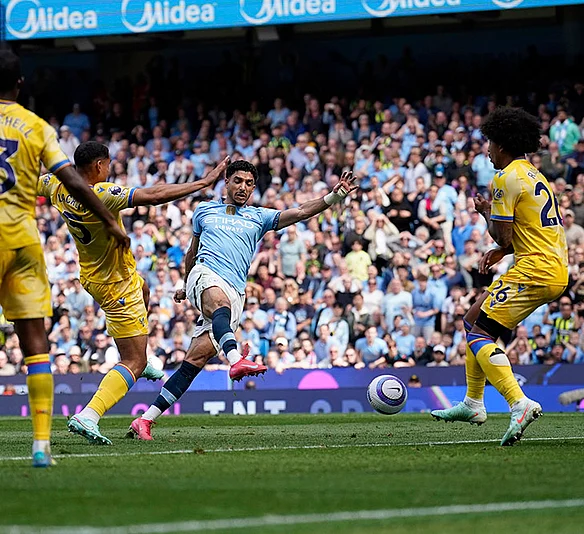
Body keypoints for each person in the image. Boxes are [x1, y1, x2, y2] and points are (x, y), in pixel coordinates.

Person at [127, 165, 358, 440]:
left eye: (249, 183)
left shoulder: (259, 217)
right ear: (226, 182)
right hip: (206, 274)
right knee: (219, 305)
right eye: (238, 181)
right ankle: (235, 359)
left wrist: (333, 197)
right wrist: (187, 285)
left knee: (194, 361)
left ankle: (144, 419)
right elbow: (192, 251)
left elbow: (301, 212)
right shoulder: (204, 210)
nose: (243, 187)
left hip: (236, 291)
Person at [40, 143, 228, 445]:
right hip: (115, 283)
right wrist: (204, 183)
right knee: (132, 361)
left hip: (95, 273)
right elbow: (153, 196)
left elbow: (32, 180)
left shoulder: (56, 184)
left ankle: (144, 358)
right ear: (99, 166)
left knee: (145, 287)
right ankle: (89, 414)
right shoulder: (100, 193)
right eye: (108, 164)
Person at [0, 51, 128, 467]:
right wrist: (108, 217)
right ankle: (40, 446)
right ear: (19, 83)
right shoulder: (36, 127)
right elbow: (68, 177)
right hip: (20, 240)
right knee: (35, 343)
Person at [431, 108, 568, 446]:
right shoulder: (534, 174)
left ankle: (518, 403)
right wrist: (504, 252)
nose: (487, 150)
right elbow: (529, 230)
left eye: (490, 143)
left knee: (480, 336)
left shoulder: (504, 178)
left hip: (534, 269)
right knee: (472, 318)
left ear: (503, 144)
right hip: (549, 265)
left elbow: (503, 235)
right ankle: (473, 403)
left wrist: (486, 213)